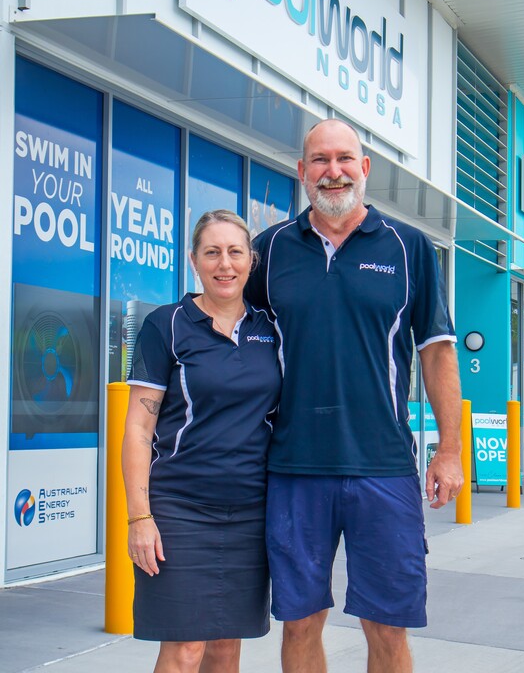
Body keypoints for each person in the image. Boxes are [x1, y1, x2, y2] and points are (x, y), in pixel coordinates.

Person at [246, 119, 464, 673]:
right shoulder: (269, 251)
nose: (333, 171)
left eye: (344, 159)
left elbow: (438, 353)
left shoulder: (409, 248)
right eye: (320, 160)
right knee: (300, 623)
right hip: (294, 467)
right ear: (302, 171)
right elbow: (235, 344)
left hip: (383, 467)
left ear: (364, 168)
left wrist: (450, 450)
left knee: (387, 628)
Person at [122, 210, 281, 673]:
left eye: (234, 252)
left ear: (251, 261)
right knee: (185, 648)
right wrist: (140, 517)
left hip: (251, 512)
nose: (224, 264)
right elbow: (138, 429)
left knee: (226, 645)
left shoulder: (271, 329)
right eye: (212, 252)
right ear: (194, 260)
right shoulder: (166, 325)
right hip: (180, 510)